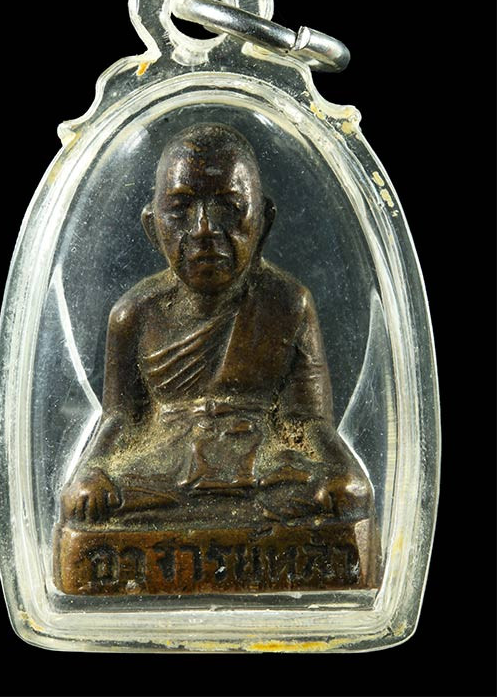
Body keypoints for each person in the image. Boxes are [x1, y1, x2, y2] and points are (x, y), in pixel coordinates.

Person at [61, 123, 373, 529]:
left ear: (263, 220)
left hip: (260, 464)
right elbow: (120, 420)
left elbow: (308, 421)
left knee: (329, 495)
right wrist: (91, 472)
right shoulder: (135, 314)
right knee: (98, 502)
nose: (204, 229)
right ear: (152, 226)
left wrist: (342, 470)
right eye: (180, 210)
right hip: (166, 467)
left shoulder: (287, 304)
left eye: (229, 207)